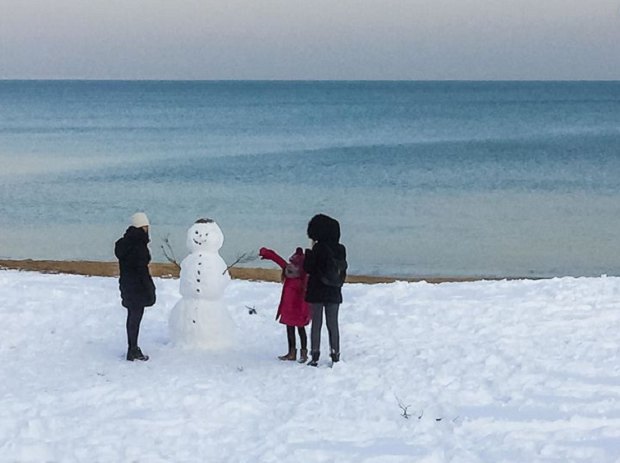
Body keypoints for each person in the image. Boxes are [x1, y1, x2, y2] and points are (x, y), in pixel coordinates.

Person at [303, 214, 347, 367]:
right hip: (334, 289)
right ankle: (335, 354)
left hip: (317, 289)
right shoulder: (341, 249)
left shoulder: (318, 248)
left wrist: (308, 253)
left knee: (317, 323)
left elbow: (309, 268)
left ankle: (314, 355)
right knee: (333, 323)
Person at [114, 212, 156, 361]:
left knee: (132, 316)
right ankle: (133, 349)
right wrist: (150, 289)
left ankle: (132, 347)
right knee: (136, 318)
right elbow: (142, 270)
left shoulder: (123, 243)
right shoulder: (140, 246)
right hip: (138, 286)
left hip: (126, 284)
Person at [259, 246, 310, 363]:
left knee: (290, 330)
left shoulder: (288, 269)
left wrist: (266, 253)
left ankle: (292, 353)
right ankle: (303, 353)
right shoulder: (303, 277)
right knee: (301, 330)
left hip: (288, 308)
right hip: (298, 309)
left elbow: (277, 259)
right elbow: (305, 295)